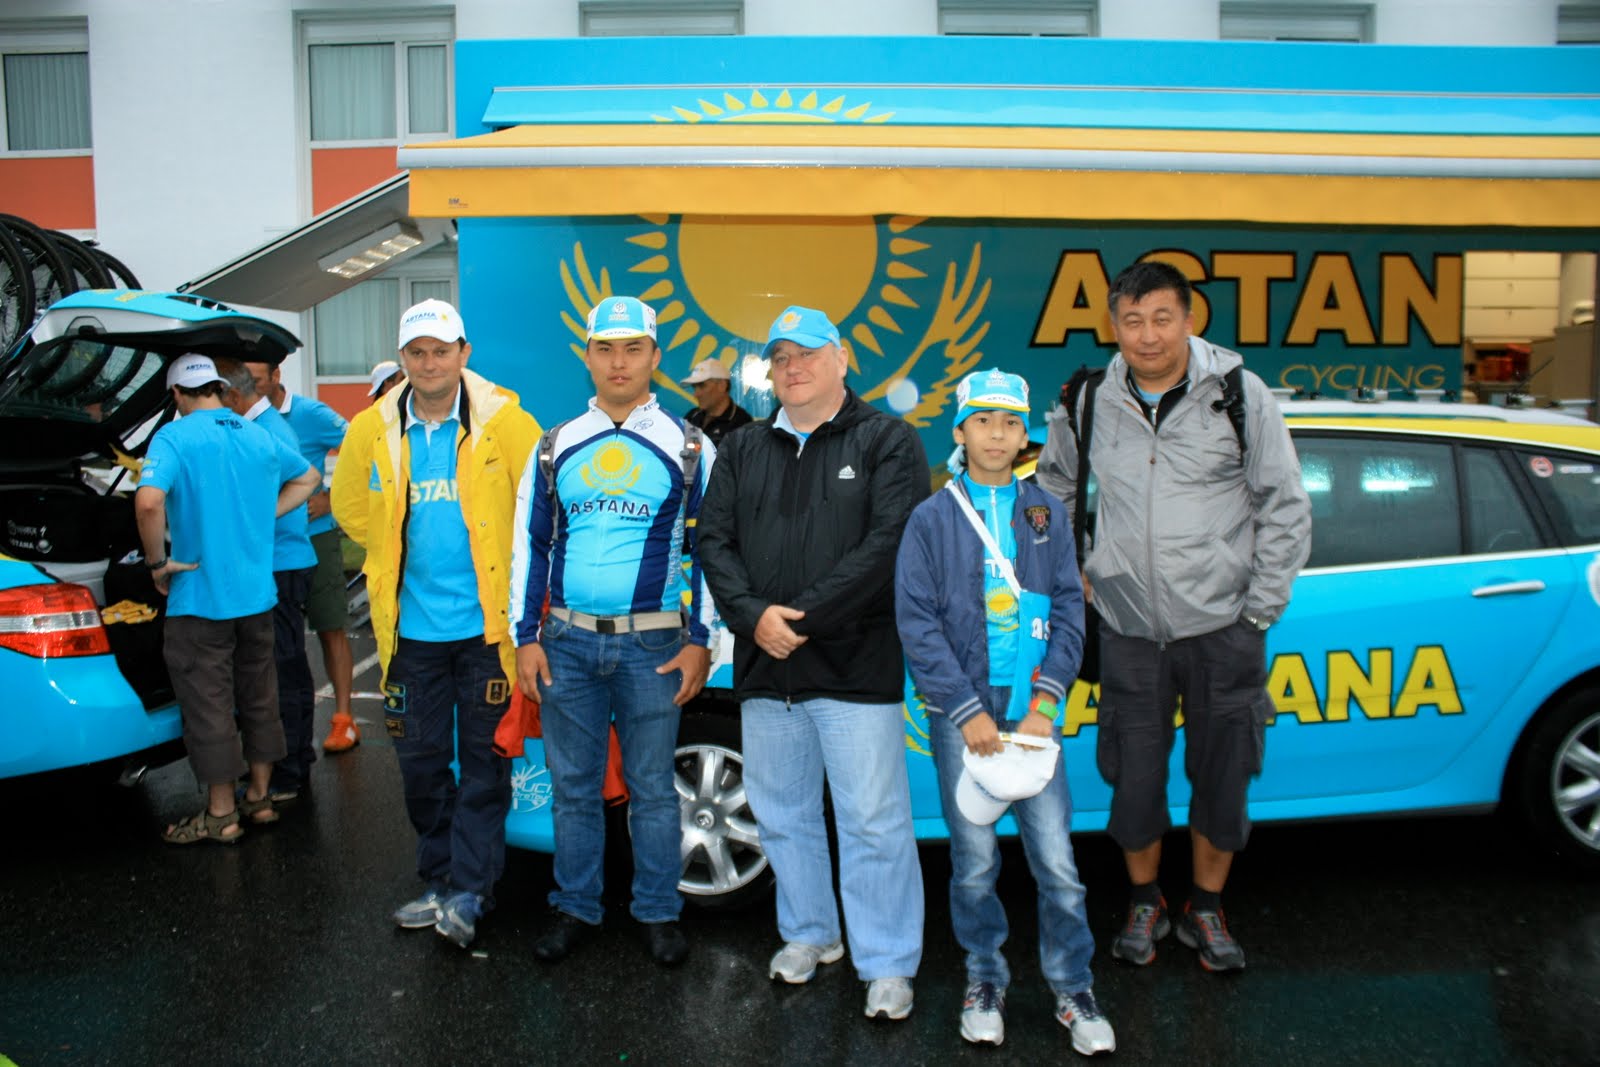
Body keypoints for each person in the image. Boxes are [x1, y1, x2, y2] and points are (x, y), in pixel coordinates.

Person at [1036, 260, 1313, 973]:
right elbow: (1054, 486)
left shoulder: (1240, 395)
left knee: (1223, 775)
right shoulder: (1088, 399)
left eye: (1162, 318)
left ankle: (1207, 907)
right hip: (1127, 630)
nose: (1148, 335)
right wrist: (1075, 571)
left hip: (1224, 629)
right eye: (1132, 320)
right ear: (1113, 326)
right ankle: (1145, 899)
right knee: (1133, 777)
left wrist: (1258, 611)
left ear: (1189, 321)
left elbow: (1284, 505)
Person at [698, 305, 929, 1021]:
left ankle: (886, 962)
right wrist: (752, 617)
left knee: (873, 822)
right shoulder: (743, 447)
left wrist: (795, 619)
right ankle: (810, 933)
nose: (792, 367)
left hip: (855, 665)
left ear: (842, 357)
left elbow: (890, 544)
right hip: (767, 667)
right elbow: (713, 541)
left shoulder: (887, 440)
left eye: (807, 353)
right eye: (781, 357)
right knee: (782, 814)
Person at [895, 368, 1115, 1053]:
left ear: (1026, 436)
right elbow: (917, 621)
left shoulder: (1045, 513)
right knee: (974, 861)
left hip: (1032, 711)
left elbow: (1071, 609)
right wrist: (966, 711)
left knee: (1057, 861)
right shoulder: (931, 518)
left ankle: (1073, 986)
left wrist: (1048, 700)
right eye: (983, 420)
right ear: (960, 431)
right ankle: (984, 977)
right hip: (965, 714)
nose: (997, 433)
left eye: (1011, 422)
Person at [511, 295, 713, 968]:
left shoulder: (690, 445)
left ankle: (657, 911)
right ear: (588, 355)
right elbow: (530, 545)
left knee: (653, 788)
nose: (618, 362)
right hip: (565, 644)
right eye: (605, 348)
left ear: (655, 356)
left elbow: (712, 551)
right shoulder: (554, 444)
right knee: (573, 787)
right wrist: (525, 636)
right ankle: (576, 906)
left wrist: (701, 639)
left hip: (655, 646)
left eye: (632, 349)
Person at [330, 298, 540, 948]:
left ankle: (471, 890)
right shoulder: (371, 428)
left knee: (483, 766)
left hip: (486, 635)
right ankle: (440, 877)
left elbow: (540, 507)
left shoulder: (507, 422)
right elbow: (349, 508)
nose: (429, 364)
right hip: (410, 636)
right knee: (420, 766)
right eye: (417, 352)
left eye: (441, 351)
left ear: (463, 353)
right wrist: (389, 556)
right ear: (403, 358)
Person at [134, 354, 320, 844]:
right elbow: (309, 478)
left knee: (209, 704)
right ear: (218, 388)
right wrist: (263, 516)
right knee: (260, 697)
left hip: (200, 599)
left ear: (177, 394)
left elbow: (149, 502)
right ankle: (259, 797)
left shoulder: (174, 437)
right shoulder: (257, 434)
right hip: (258, 597)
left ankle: (221, 813)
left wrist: (157, 563)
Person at [242, 359, 358, 757]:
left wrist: (332, 499)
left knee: (329, 627)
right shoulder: (241, 418)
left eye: (256, 380)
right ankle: (279, 736)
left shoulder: (310, 414)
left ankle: (343, 718)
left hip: (316, 539)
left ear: (276, 376)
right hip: (269, 549)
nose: (248, 388)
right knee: (277, 644)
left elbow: (367, 449)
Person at [219, 360, 319, 805]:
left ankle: (288, 769)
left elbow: (301, 484)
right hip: (280, 561)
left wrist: (255, 519)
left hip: (281, 563)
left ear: (233, 397)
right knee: (283, 667)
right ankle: (290, 761)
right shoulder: (265, 427)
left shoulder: (266, 432)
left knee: (282, 670)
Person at [680, 359, 752, 446]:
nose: (696, 394)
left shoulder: (742, 423)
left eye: (702, 386)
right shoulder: (692, 416)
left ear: (722, 385)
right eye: (694, 388)